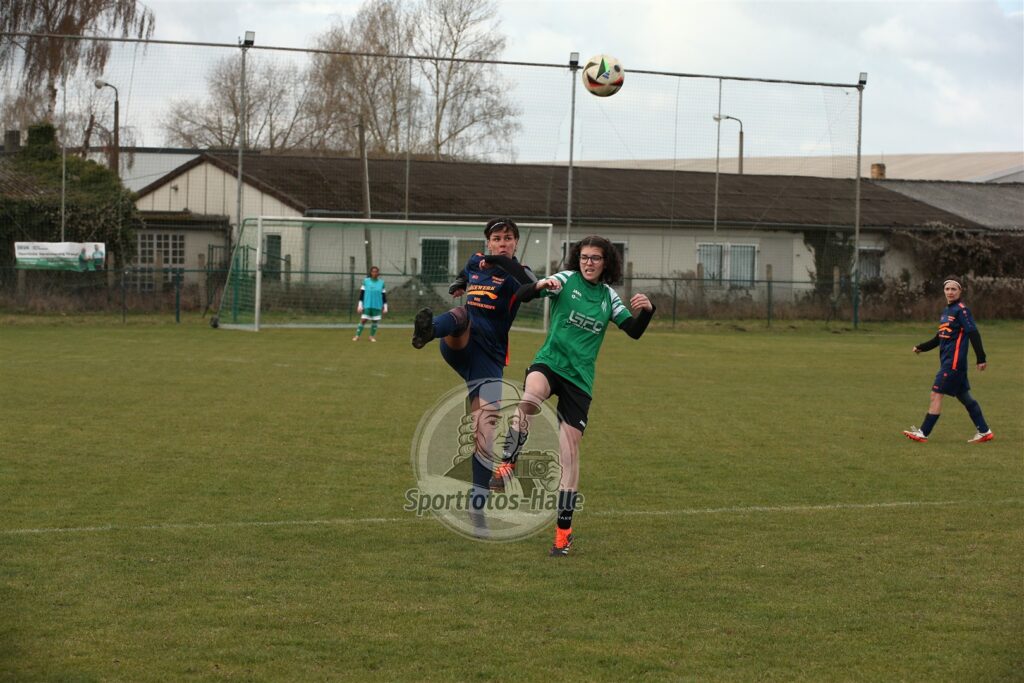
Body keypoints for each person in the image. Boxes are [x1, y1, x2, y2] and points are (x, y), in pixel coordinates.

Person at [498, 235, 655, 556]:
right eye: (584, 257)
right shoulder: (566, 280)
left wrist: (648, 311)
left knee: (569, 456)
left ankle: (563, 533)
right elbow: (522, 295)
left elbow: (634, 331)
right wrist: (540, 285)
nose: (589, 262)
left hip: (579, 381)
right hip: (550, 363)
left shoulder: (608, 297)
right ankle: (507, 462)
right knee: (529, 398)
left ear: (606, 263)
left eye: (595, 258)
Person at [411, 218, 536, 535]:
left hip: (489, 359)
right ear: (488, 242)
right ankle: (427, 332)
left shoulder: (517, 272)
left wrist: (504, 264)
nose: (503, 242)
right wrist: (458, 284)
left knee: (485, 434)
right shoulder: (475, 261)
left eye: (508, 238)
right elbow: (465, 273)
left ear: (516, 243)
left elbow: (529, 289)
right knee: (462, 314)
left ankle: (477, 509)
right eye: (497, 238)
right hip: (460, 343)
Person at [903, 275, 994, 444]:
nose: (950, 292)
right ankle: (984, 431)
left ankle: (923, 433)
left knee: (936, 394)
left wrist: (981, 358)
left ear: (960, 291)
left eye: (954, 289)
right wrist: (922, 347)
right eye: (947, 289)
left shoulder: (962, 311)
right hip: (949, 362)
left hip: (953, 363)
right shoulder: (947, 311)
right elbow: (940, 337)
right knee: (965, 397)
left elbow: (973, 333)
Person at [353, 266, 387, 342]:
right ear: (371, 273)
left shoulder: (381, 283)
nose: (375, 273)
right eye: (373, 271)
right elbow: (362, 294)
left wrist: (385, 306)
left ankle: (371, 337)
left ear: (378, 273)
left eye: (376, 272)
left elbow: (384, 295)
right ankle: (357, 336)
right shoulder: (366, 281)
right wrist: (360, 305)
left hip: (377, 305)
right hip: (367, 305)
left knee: (375, 321)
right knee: (363, 320)